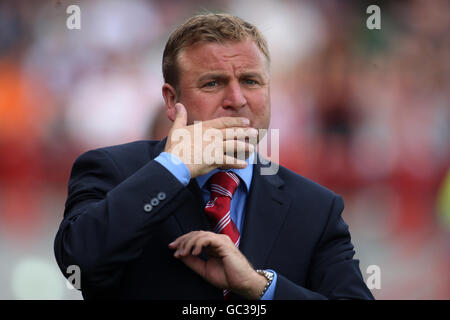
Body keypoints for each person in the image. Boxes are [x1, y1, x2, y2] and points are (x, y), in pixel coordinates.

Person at [54, 13, 374, 300]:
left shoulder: (315, 208)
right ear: (171, 99)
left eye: (250, 81)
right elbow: (78, 261)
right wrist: (172, 170)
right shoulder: (112, 170)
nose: (236, 99)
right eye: (213, 83)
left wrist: (260, 286)